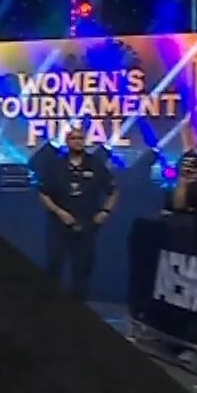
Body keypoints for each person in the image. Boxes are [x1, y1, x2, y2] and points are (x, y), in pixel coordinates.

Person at [36, 128, 117, 301]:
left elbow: (113, 190)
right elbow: (43, 193)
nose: (78, 141)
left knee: (82, 270)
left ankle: (79, 307)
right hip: (59, 226)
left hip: (87, 225)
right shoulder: (56, 165)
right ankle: (51, 305)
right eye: (73, 138)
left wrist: (105, 212)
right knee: (54, 267)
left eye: (81, 138)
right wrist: (58, 212)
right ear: (67, 141)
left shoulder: (96, 165)